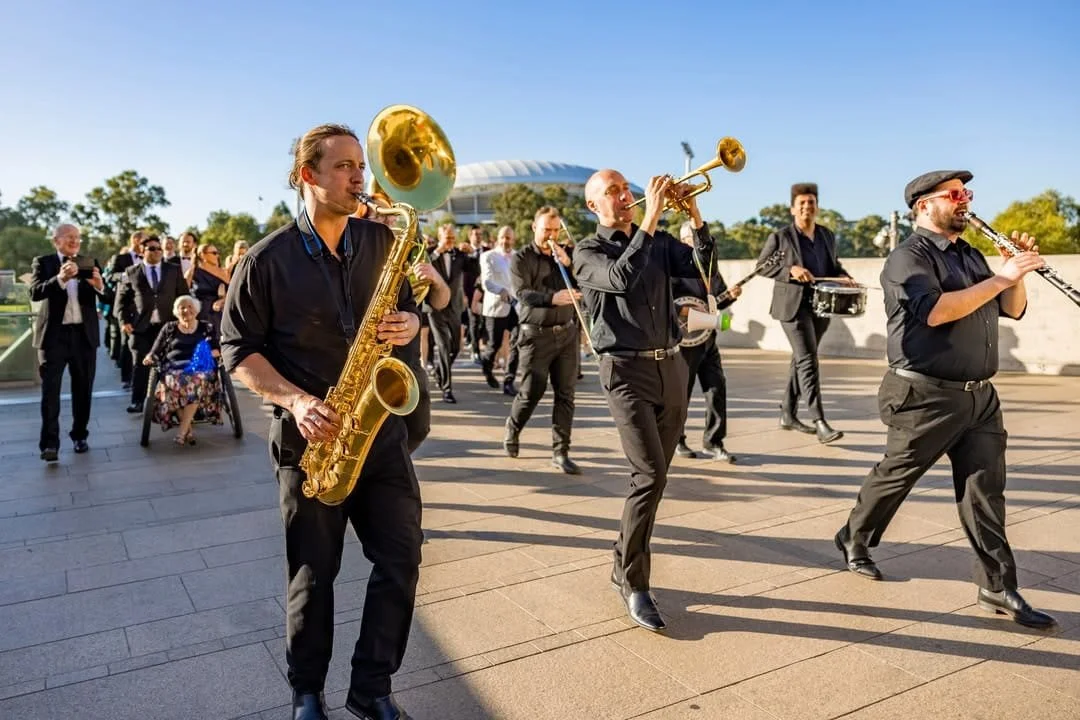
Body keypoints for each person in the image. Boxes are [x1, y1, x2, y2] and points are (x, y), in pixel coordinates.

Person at [220, 123, 421, 720]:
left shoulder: (381, 240)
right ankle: (307, 690)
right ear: (308, 175)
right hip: (311, 440)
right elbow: (237, 351)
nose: (360, 177)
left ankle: (372, 687)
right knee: (314, 573)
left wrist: (410, 325)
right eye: (344, 166)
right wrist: (297, 401)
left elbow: (408, 310)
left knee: (402, 558)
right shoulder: (266, 259)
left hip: (379, 434)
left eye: (361, 166)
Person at [835, 170, 1056, 630]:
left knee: (986, 492)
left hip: (979, 398)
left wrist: (1013, 271)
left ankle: (996, 586)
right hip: (924, 395)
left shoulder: (969, 254)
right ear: (924, 205)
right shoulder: (907, 257)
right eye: (955, 194)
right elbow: (935, 312)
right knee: (896, 477)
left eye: (967, 193)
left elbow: (1011, 308)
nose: (964, 201)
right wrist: (1001, 278)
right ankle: (854, 537)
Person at [573, 170, 713, 631]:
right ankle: (634, 581)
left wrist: (694, 216)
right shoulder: (587, 252)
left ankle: (623, 559)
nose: (624, 196)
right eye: (611, 191)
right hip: (625, 372)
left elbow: (705, 272)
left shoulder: (662, 241)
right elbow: (622, 279)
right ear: (594, 206)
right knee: (649, 474)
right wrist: (651, 217)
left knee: (657, 478)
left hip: (670, 367)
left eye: (624, 188)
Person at [757, 183, 853, 443]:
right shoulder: (780, 237)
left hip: (821, 307)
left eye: (811, 202)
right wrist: (790, 270)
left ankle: (787, 414)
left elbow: (833, 266)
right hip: (792, 307)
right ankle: (819, 421)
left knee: (801, 360)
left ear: (817, 207)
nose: (806, 207)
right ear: (792, 209)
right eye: (801, 203)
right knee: (808, 360)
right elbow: (761, 266)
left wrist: (844, 277)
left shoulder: (827, 236)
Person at [504, 207, 582, 474]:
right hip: (535, 335)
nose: (552, 235)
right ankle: (513, 427)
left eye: (556, 230)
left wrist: (569, 265)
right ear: (534, 227)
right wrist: (552, 299)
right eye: (547, 229)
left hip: (567, 333)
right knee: (531, 393)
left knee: (566, 394)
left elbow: (583, 283)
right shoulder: (521, 258)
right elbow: (522, 293)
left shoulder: (566, 255)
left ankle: (561, 452)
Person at [29, 224, 105, 461]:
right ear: (56, 241)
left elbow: (109, 297)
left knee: (83, 390)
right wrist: (60, 278)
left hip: (84, 337)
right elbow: (35, 292)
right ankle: (50, 444)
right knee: (50, 392)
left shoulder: (89, 262)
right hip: (54, 338)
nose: (75, 241)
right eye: (69, 237)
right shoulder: (43, 263)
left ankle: (80, 435)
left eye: (78, 238)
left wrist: (99, 286)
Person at [672, 220, 740, 463]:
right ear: (683, 242)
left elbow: (715, 304)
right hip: (685, 343)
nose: (700, 244)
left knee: (716, 389)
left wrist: (730, 297)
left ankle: (714, 442)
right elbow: (667, 303)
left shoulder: (712, 269)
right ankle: (676, 440)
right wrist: (686, 312)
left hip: (708, 341)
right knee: (681, 394)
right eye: (693, 239)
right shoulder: (674, 269)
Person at [114, 235, 189, 413]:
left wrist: (185, 318)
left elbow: (183, 295)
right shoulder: (131, 272)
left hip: (168, 326)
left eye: (159, 249)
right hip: (141, 327)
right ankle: (138, 402)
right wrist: (124, 321)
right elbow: (121, 301)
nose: (157, 252)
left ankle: (171, 402)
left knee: (171, 365)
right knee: (140, 365)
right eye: (152, 249)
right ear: (142, 251)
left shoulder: (173, 270)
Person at [142, 295, 221, 445]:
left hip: (199, 369)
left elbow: (217, 349)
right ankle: (186, 430)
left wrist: (208, 353)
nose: (186, 310)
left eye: (190, 306)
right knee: (173, 382)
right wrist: (150, 357)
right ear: (176, 311)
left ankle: (182, 432)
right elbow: (155, 349)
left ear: (196, 310)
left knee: (194, 380)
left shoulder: (206, 327)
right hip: (174, 368)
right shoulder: (169, 328)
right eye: (182, 307)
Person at [427, 223, 467, 403]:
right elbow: (423, 265)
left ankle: (439, 371)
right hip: (435, 307)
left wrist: (472, 252)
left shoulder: (459, 254)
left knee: (455, 347)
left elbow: (475, 270)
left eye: (452, 238)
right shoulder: (430, 253)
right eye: (447, 238)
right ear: (440, 238)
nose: (450, 241)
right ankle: (447, 389)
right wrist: (438, 251)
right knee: (443, 346)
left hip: (454, 307)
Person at [480, 225, 519, 395]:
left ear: (513, 239)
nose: (505, 241)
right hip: (496, 307)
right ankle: (487, 368)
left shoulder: (518, 256)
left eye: (508, 238)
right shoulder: (488, 256)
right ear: (498, 238)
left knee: (517, 342)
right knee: (494, 345)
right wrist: (501, 291)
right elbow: (486, 282)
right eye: (502, 237)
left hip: (516, 307)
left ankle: (509, 380)